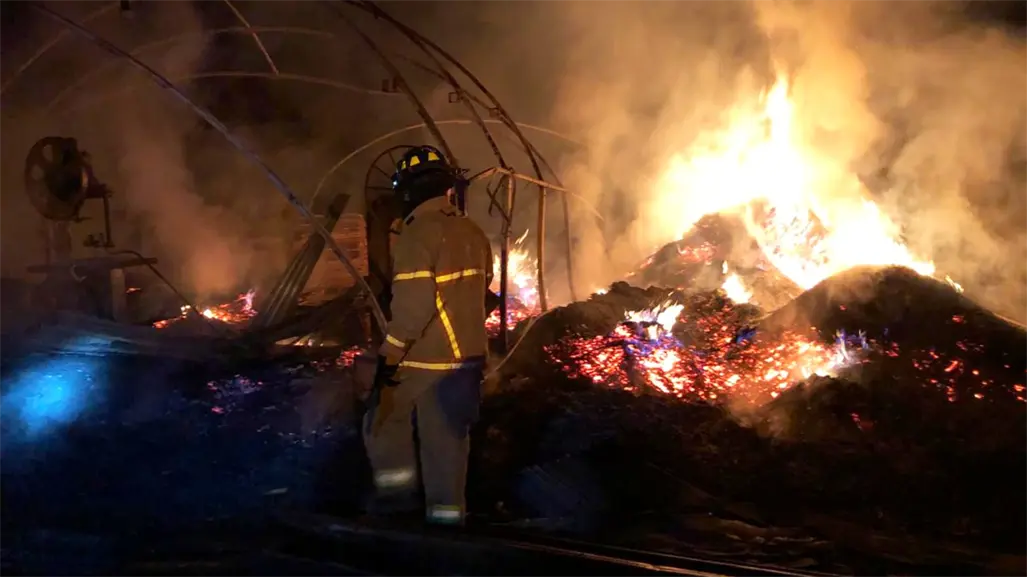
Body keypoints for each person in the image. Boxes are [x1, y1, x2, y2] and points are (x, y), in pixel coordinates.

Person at [364, 145, 492, 526]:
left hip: (428, 360)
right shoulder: (472, 231)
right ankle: (447, 523)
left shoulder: (417, 235)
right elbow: (485, 285)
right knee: (448, 442)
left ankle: (397, 501)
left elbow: (412, 309)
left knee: (382, 416)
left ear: (407, 191)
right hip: (469, 359)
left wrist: (388, 356)